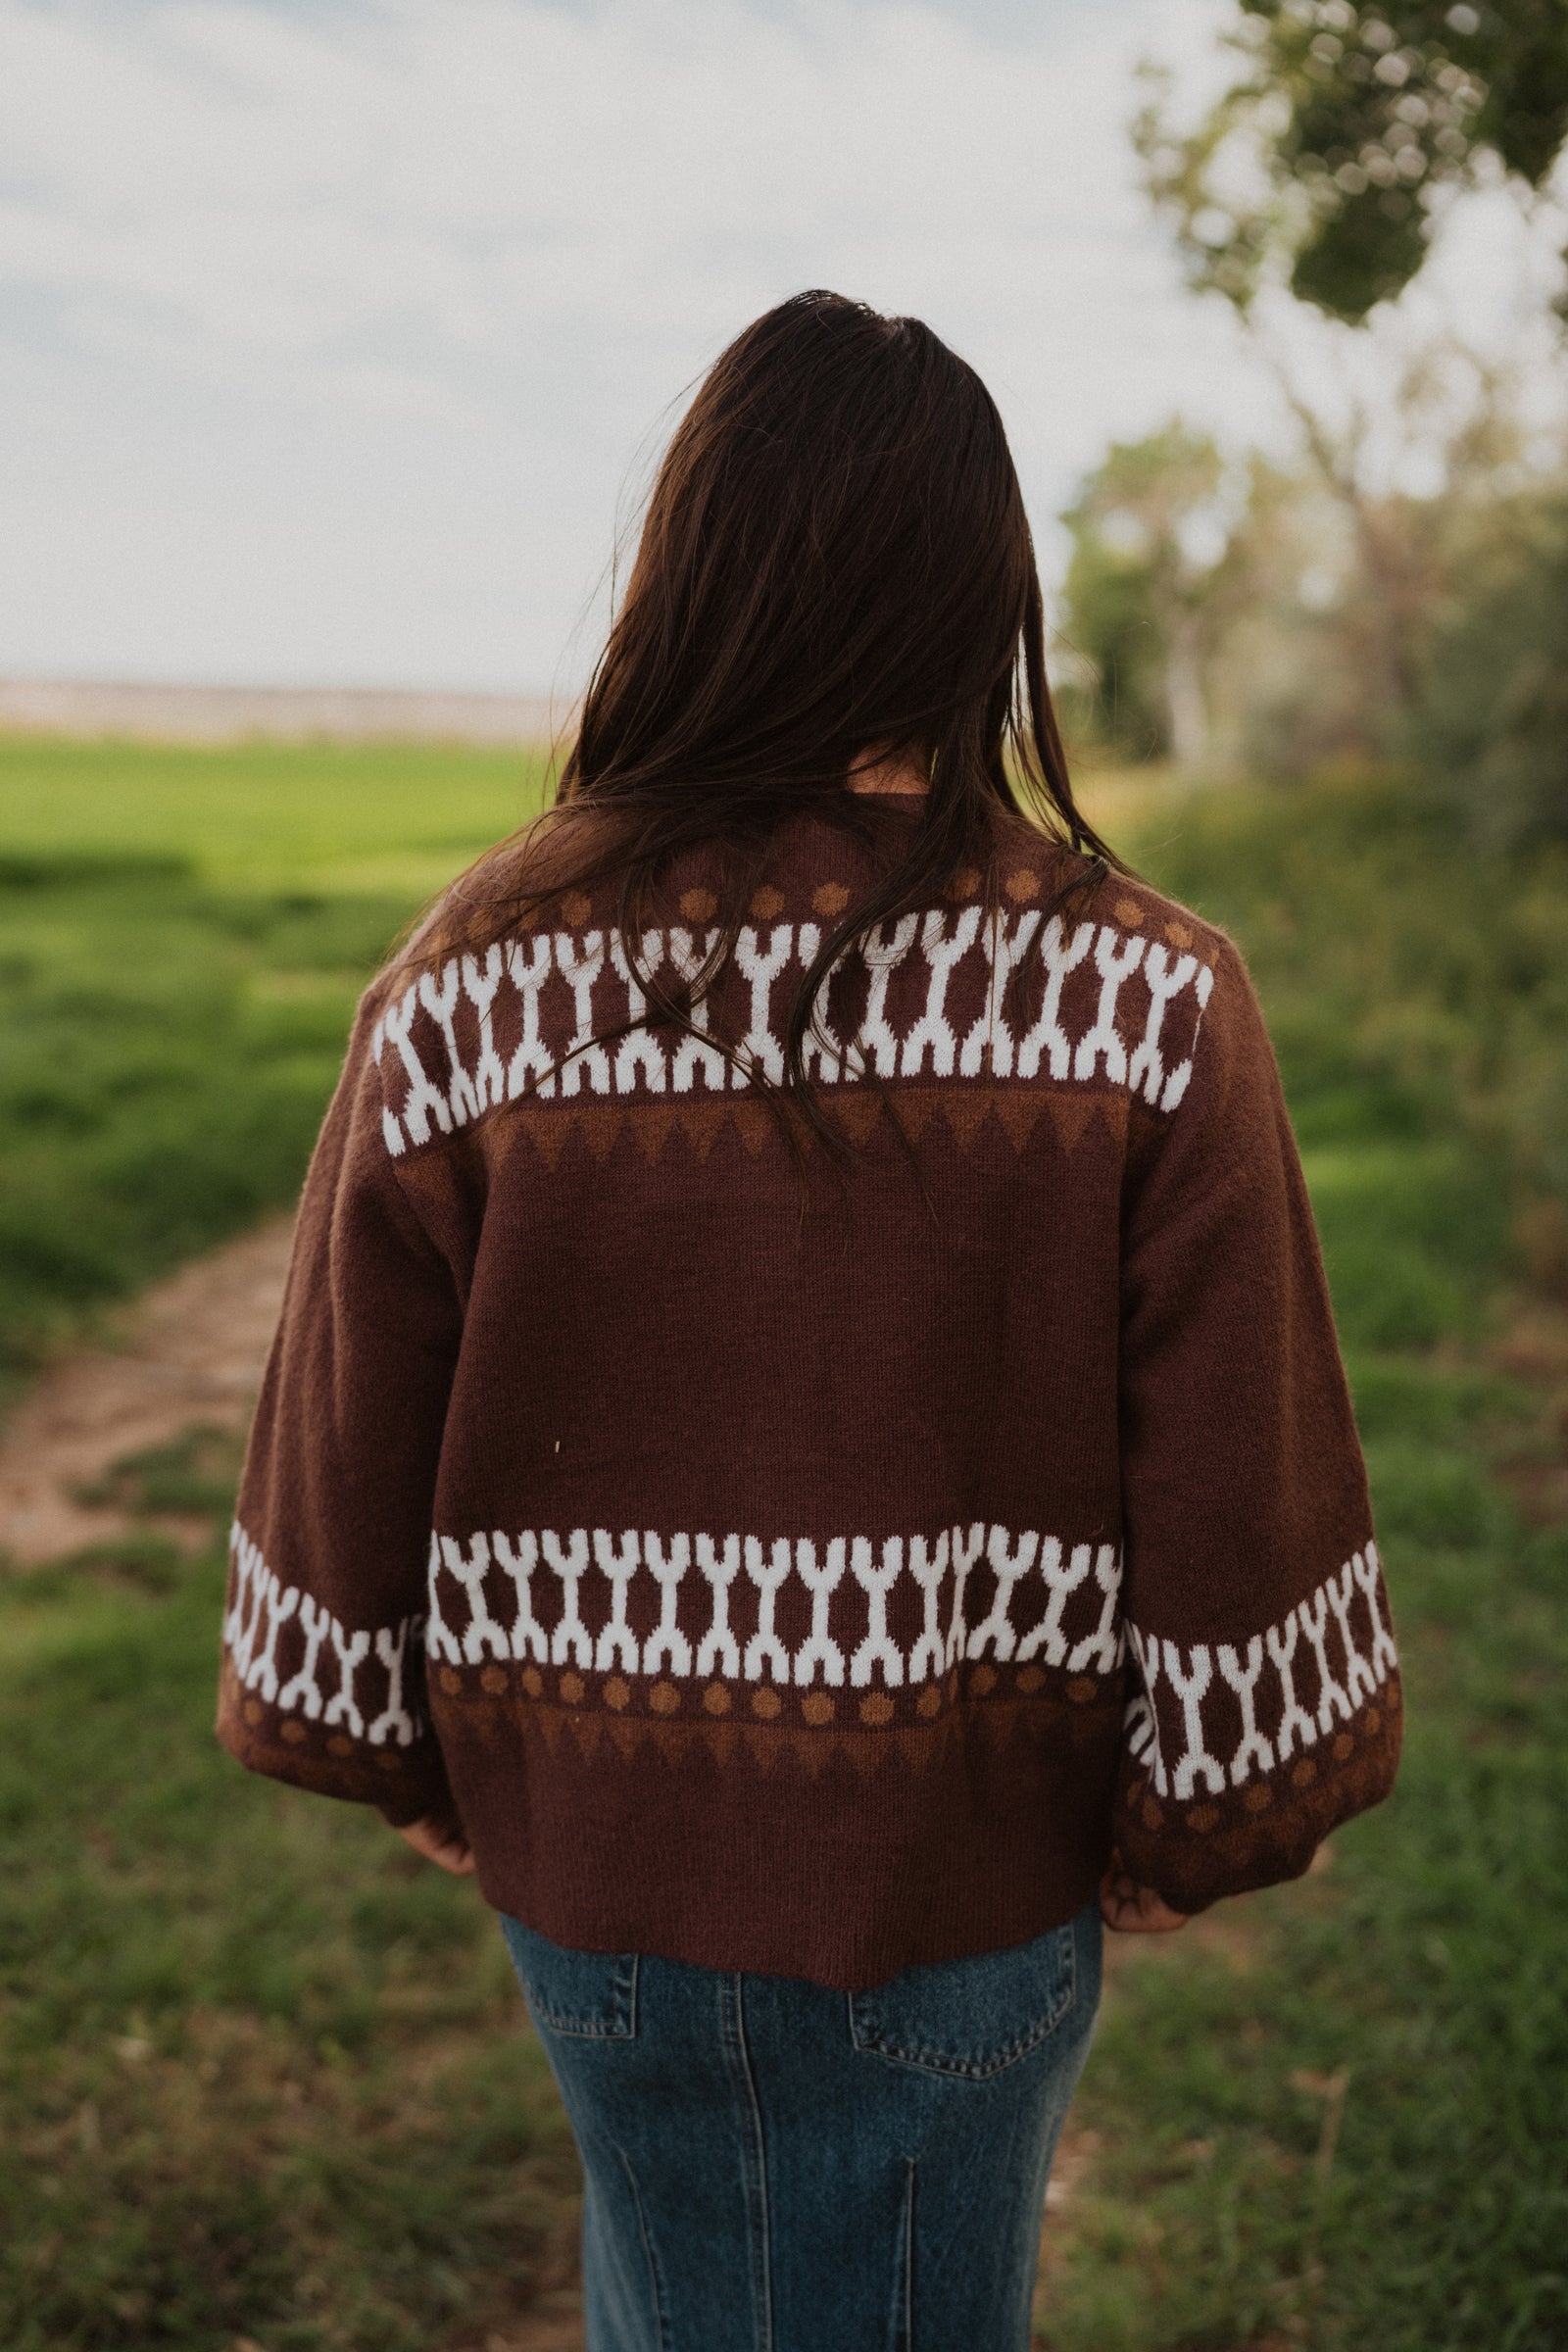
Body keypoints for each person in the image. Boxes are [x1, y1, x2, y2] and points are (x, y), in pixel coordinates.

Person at [217, 290, 1401, 2349]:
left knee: (679, 2295)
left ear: (685, 578)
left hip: (590, 1889)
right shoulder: (1142, 1000)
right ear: (977, 606)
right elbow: (1236, 1472)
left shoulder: (473, 979)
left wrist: (410, 1758)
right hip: (968, 1888)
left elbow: (337, 1454)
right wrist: (1203, 1810)